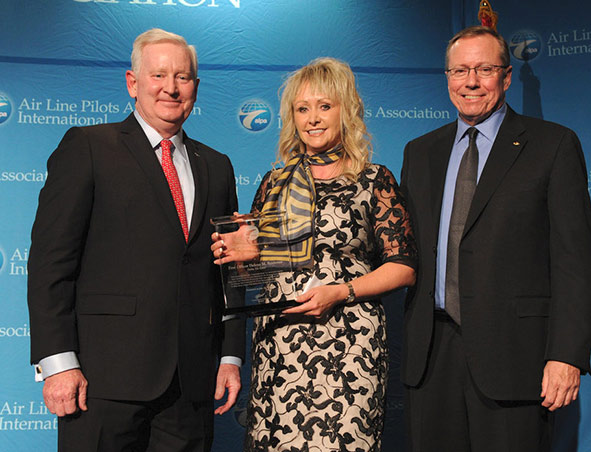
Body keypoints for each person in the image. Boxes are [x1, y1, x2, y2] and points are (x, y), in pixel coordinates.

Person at [27, 28, 244, 451]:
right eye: (159, 75)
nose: (171, 88)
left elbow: (229, 272)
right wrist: (57, 364)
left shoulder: (217, 166)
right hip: (102, 380)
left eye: (182, 77)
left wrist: (230, 356)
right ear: (133, 83)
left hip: (192, 382)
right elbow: (51, 263)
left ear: (196, 88)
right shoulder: (88, 146)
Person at [400, 26, 591, 452]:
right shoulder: (420, 151)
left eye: (484, 69)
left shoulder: (553, 145)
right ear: (448, 78)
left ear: (506, 77)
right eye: (459, 70)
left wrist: (566, 355)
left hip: (516, 357)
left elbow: (575, 262)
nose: (470, 81)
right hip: (431, 357)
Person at [212, 57, 417, 451]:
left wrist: (341, 292)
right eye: (302, 109)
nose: (313, 119)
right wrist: (243, 254)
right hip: (281, 344)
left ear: (346, 109)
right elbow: (260, 268)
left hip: (349, 344)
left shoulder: (374, 179)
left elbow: (403, 267)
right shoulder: (275, 182)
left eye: (325, 106)